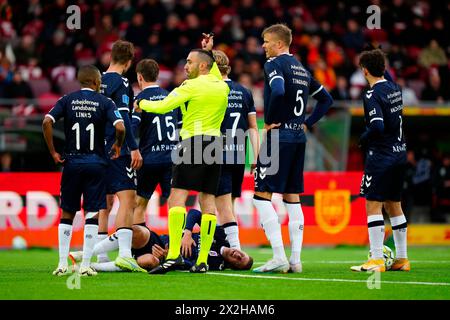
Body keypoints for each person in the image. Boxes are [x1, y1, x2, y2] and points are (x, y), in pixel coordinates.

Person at [134, 33, 229, 274]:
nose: (185, 66)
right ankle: (203, 261)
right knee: (208, 201)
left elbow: (163, 106)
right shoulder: (220, 84)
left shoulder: (191, 86)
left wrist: (140, 104)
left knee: (177, 198)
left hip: (192, 142)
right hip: (216, 145)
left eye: (189, 62)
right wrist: (209, 49)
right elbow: (215, 70)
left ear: (202, 66)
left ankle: (174, 255)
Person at [252, 24, 333, 273]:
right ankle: (296, 260)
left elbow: (277, 90)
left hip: (279, 136)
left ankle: (278, 256)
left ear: (278, 44)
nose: (263, 45)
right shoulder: (301, 68)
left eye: (266, 41)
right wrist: (306, 123)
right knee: (292, 198)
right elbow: (326, 100)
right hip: (298, 137)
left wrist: (269, 120)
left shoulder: (274, 64)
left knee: (260, 196)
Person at [42, 65, 125, 276]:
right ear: (97, 82)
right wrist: (117, 145)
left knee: (68, 212)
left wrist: (53, 152)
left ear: (80, 81)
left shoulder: (67, 99)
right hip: (96, 164)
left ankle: (62, 264)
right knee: (92, 213)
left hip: (72, 163)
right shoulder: (105, 102)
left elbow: (47, 121)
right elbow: (120, 127)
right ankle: (86, 265)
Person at [351, 48, 410, 272]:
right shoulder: (395, 88)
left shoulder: (371, 95)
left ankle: (376, 258)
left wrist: (363, 139)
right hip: (400, 153)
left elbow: (377, 126)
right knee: (394, 205)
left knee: (373, 204)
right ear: (384, 69)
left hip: (382, 156)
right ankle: (402, 259)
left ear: (365, 71)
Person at [70, 209, 253, 272]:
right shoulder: (221, 236)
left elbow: (187, 266)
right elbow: (196, 213)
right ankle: (87, 254)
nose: (237, 255)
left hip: (161, 257)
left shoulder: (215, 264)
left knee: (147, 261)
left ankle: (91, 266)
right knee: (135, 231)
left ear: (232, 265)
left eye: (238, 260)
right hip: (158, 240)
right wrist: (187, 232)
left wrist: (168, 256)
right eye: (242, 254)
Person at [97, 40, 144, 272]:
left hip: (96, 151)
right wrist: (133, 147)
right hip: (117, 148)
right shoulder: (122, 81)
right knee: (128, 199)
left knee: (104, 203)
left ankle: (100, 257)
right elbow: (123, 119)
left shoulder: (96, 81)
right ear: (128, 62)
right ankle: (125, 254)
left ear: (110, 57)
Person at [212, 49, 260, 250]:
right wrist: (256, 157)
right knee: (228, 205)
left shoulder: (212, 92)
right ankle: (225, 246)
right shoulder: (244, 91)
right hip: (239, 154)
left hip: (217, 154)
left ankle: (236, 250)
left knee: (221, 207)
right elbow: (253, 128)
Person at [131, 59, 181, 227]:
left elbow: (132, 127)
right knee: (175, 203)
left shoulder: (140, 99)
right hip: (171, 159)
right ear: (157, 75)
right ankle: (178, 248)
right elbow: (181, 128)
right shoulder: (171, 97)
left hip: (149, 159)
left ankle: (140, 248)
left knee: (139, 204)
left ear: (139, 77)